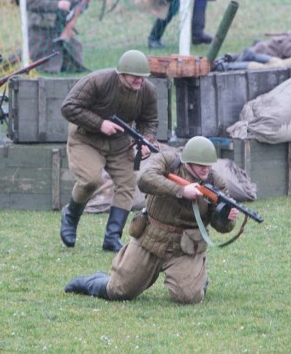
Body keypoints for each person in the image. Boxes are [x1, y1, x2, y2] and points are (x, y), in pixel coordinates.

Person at [64, 136, 240, 304]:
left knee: (189, 297)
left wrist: (226, 218)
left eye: (208, 166)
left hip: (184, 247)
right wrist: (181, 190)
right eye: (201, 165)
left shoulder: (216, 183)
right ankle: (91, 282)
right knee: (118, 290)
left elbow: (221, 226)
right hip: (150, 238)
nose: (205, 170)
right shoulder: (168, 161)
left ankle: (198, 280)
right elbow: (145, 179)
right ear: (188, 161)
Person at [59, 49, 158, 252]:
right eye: (135, 77)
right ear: (121, 74)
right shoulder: (98, 81)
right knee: (90, 180)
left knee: (128, 184)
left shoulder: (148, 91)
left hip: (120, 144)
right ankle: (70, 216)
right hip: (86, 139)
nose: (140, 81)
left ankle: (112, 238)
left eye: (143, 77)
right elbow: (69, 107)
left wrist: (145, 141)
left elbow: (149, 121)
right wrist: (100, 123)